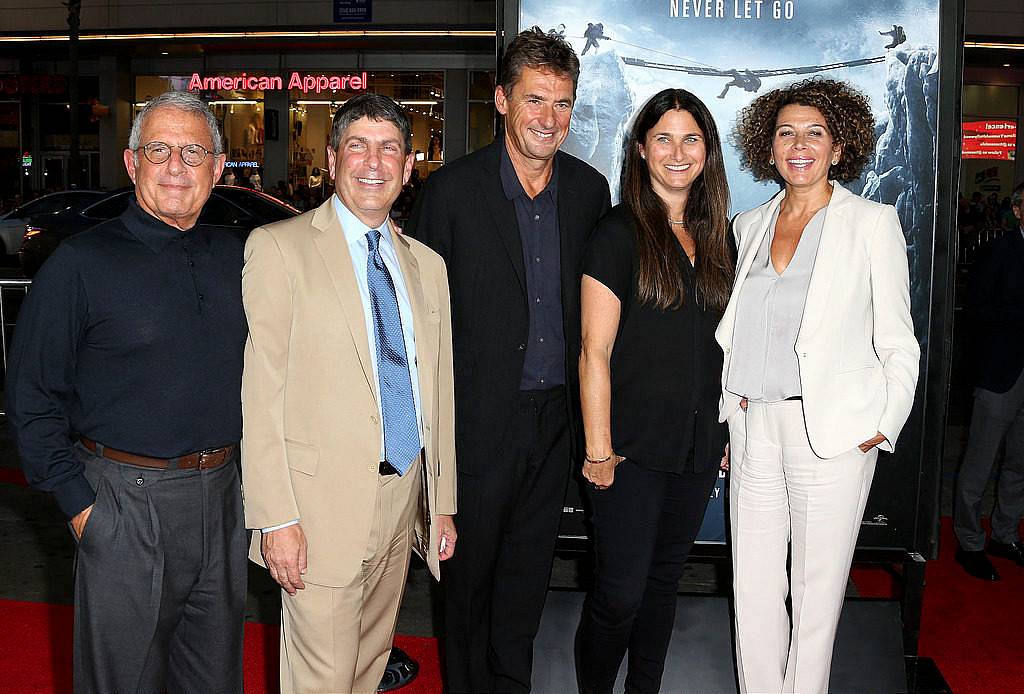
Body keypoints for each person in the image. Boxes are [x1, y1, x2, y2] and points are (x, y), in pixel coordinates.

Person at [6, 90, 247, 693]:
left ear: (218, 169)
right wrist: (81, 507)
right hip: (122, 505)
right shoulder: (79, 263)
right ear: (132, 162)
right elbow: (32, 397)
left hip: (224, 502)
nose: (176, 166)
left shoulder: (240, 258)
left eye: (193, 151)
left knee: (214, 681)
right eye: (158, 149)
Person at [407, 26, 611, 693]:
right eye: (534, 100)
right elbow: (421, 326)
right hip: (475, 426)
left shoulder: (588, 192)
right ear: (500, 101)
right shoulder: (449, 195)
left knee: (527, 578)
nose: (548, 119)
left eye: (561, 103)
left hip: (556, 424)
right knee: (467, 584)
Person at [240, 93, 458, 694]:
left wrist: (440, 501)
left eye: (390, 148)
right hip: (317, 516)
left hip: (400, 502)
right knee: (319, 682)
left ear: (409, 166)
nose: (374, 162)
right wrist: (275, 519)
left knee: (368, 669)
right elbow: (261, 394)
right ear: (332, 158)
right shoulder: (279, 248)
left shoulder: (426, 266)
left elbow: (437, 390)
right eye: (358, 146)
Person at [720, 78, 920, 693]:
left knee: (815, 594)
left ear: (838, 148)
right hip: (755, 429)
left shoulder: (870, 223)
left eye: (814, 133)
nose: (799, 144)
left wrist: (880, 426)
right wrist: (732, 415)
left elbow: (898, 340)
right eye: (786, 133)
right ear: (769, 147)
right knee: (751, 587)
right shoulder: (746, 225)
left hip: (831, 435)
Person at [574, 88, 733, 694]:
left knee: (664, 585)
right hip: (627, 455)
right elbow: (595, 351)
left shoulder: (717, 237)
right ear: (641, 150)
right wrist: (597, 451)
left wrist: (721, 428)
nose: (677, 151)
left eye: (690, 138)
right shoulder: (617, 234)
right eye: (662, 138)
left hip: (694, 450)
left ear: (707, 153)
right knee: (618, 596)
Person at [953, 181, 1024, 581]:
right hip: (1000, 374)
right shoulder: (999, 251)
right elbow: (977, 312)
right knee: (979, 463)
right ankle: (969, 541)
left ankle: (1005, 533)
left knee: (1019, 463)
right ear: (1018, 210)